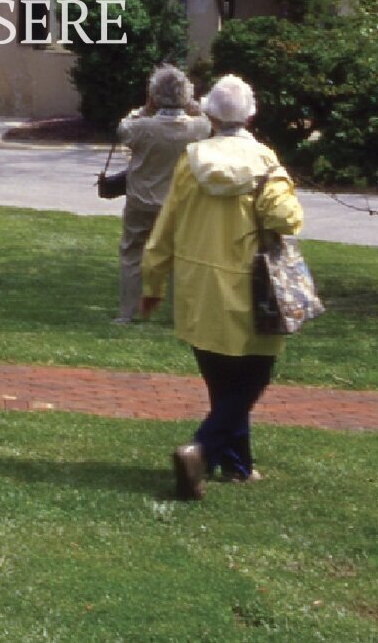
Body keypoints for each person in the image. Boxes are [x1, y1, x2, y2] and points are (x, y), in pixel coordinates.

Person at [139, 74, 305, 497]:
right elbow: (285, 219)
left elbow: (166, 226)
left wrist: (152, 282)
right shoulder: (266, 162)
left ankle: (237, 464)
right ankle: (202, 449)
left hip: (199, 287)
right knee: (252, 379)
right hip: (254, 287)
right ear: (251, 115)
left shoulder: (191, 159)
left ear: (209, 113)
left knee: (221, 381)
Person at [113, 65, 213, 325]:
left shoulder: (140, 128)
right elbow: (209, 119)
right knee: (180, 256)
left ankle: (126, 313)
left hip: (141, 202)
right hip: (180, 204)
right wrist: (191, 104)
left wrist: (146, 107)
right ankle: (179, 315)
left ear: (153, 95)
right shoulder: (198, 129)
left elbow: (122, 128)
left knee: (132, 253)